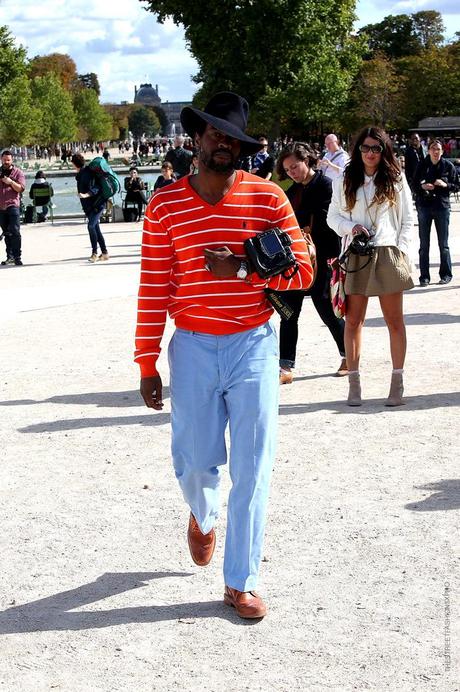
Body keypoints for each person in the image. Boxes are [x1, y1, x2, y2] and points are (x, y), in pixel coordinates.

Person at [135, 92, 313, 619]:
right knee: (192, 458)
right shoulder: (163, 204)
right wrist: (147, 361)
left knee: (255, 467)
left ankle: (242, 579)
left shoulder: (267, 199)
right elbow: (152, 286)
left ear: (242, 147)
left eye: (232, 138)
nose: (223, 143)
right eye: (215, 134)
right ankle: (202, 514)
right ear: (196, 138)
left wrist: (242, 269)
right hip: (191, 344)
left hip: (254, 343)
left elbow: (302, 272)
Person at [327, 126, 415, 407]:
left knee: (394, 322)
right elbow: (332, 217)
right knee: (353, 321)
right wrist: (351, 227)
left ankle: (397, 382)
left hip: (388, 252)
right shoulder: (344, 178)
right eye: (365, 147)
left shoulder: (395, 177)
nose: (370, 153)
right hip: (356, 254)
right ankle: (354, 383)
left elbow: (408, 220)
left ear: (384, 149)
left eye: (376, 148)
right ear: (357, 149)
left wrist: (401, 250)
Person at [275, 142, 347, 384]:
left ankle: (348, 355)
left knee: (327, 310)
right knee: (288, 313)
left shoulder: (326, 185)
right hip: (296, 259)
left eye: (295, 166)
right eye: (287, 170)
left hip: (322, 257)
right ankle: (285, 367)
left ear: (307, 160)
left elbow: (330, 223)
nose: (292, 172)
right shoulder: (291, 190)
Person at [413, 139, 458, 286]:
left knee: (443, 244)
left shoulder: (448, 166)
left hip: (441, 207)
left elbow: (456, 186)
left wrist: (446, 185)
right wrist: (422, 187)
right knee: (424, 244)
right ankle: (424, 277)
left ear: (442, 151)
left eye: (438, 149)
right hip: (424, 207)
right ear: (429, 151)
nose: (436, 151)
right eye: (433, 149)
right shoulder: (422, 165)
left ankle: (446, 274)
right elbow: (413, 185)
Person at [71, 153, 109, 263]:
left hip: (97, 205)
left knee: (91, 226)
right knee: (96, 228)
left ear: (75, 164)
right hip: (90, 206)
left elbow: (96, 187)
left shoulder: (86, 174)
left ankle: (94, 253)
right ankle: (105, 253)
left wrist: (86, 194)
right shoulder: (82, 174)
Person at [0, 150, 26, 266]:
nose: (6, 162)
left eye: (8, 160)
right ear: (1, 159)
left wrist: (10, 182)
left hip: (13, 206)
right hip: (1, 207)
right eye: (4, 159)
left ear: (12, 160)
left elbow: (20, 189)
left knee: (15, 231)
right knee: (6, 232)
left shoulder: (18, 173)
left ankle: (17, 256)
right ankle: (9, 256)